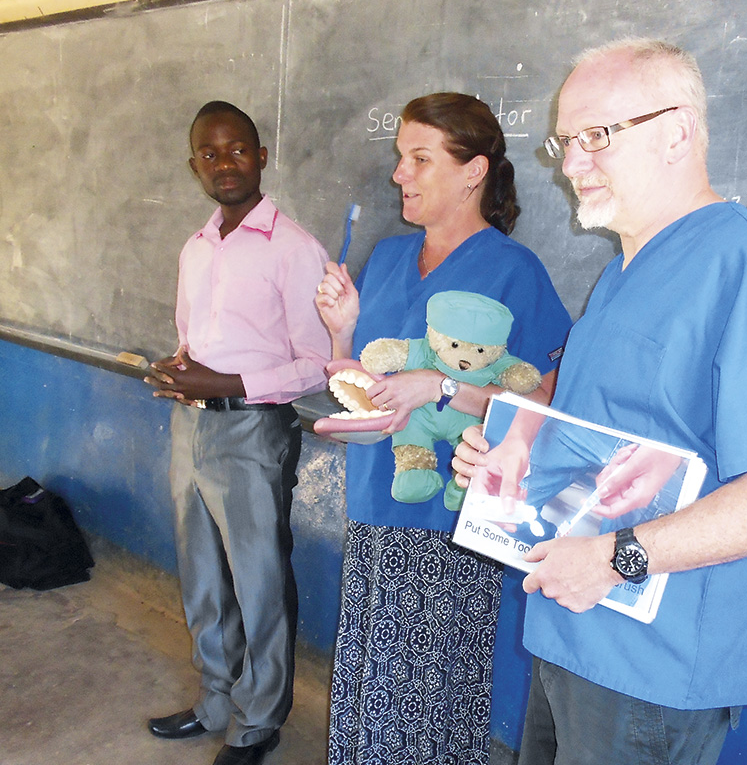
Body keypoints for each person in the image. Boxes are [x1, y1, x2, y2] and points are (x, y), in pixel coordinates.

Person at [452, 38, 747, 765]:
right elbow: (584, 408)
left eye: (596, 137)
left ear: (677, 132)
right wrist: (510, 439)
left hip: (652, 666)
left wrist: (618, 557)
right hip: (572, 621)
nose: (570, 166)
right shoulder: (623, 272)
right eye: (564, 143)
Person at [314, 92, 572, 765]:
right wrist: (342, 329)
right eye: (401, 158)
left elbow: (546, 401)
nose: (401, 174)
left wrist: (446, 388)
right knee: (372, 695)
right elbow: (367, 377)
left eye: (419, 159)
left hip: (452, 527)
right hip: (376, 504)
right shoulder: (391, 256)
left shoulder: (514, 271)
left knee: (429, 706)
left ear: (472, 172)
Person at [144, 101, 331, 765]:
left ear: (261, 157)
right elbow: (195, 338)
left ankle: (259, 718)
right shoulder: (196, 247)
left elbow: (318, 363)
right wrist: (179, 370)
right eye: (210, 153)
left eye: (237, 150)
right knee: (201, 574)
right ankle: (215, 698)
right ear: (194, 164)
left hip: (253, 433)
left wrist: (224, 386)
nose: (225, 163)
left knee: (257, 579)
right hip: (189, 428)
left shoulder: (294, 247)